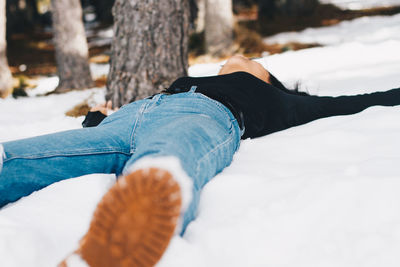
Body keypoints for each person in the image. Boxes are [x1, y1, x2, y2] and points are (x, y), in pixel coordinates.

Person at [1, 55, 399, 267]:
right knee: (25, 155)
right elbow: (93, 138)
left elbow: (354, 103)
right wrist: (98, 118)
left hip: (205, 115)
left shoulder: (282, 103)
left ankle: (122, 241)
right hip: (130, 116)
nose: (239, 57)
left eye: (253, 61)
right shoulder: (187, 80)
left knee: (167, 161)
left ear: (267, 80)